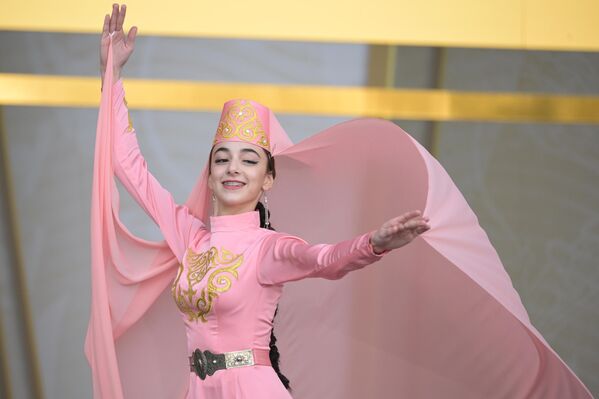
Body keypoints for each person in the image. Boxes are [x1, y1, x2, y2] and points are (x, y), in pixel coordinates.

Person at [85, 3, 593, 399]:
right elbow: (129, 167)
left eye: (248, 160)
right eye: (223, 159)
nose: (233, 168)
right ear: (211, 172)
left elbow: (324, 259)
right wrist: (112, 76)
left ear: (267, 181)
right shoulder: (189, 237)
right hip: (199, 389)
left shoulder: (268, 250)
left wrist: (375, 242)